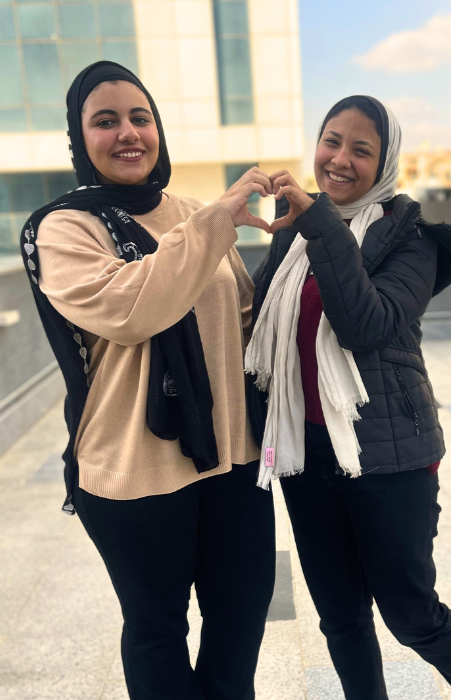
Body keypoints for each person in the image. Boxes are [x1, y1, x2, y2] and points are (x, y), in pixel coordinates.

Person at [20, 61, 276, 700]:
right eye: (105, 121)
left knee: (241, 618)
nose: (127, 133)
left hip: (232, 457)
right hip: (134, 469)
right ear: (80, 136)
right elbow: (133, 309)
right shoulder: (62, 228)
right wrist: (216, 221)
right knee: (158, 630)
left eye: (140, 118)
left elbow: (244, 318)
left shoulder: (193, 214)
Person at [246, 95, 451, 700]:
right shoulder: (294, 233)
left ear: (384, 163)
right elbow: (254, 325)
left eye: (361, 150)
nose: (340, 159)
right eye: (331, 141)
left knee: (414, 617)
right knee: (340, 619)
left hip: (389, 457)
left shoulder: (414, 239)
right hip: (308, 457)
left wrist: (319, 223)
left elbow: (365, 325)